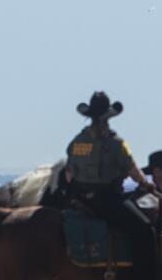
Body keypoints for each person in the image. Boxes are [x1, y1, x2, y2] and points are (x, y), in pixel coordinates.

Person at [61, 92, 155, 261]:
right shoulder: (116, 143)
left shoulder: (77, 141)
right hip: (107, 201)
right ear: (108, 117)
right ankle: (142, 279)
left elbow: (68, 174)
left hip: (77, 200)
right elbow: (134, 171)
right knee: (145, 229)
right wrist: (146, 184)